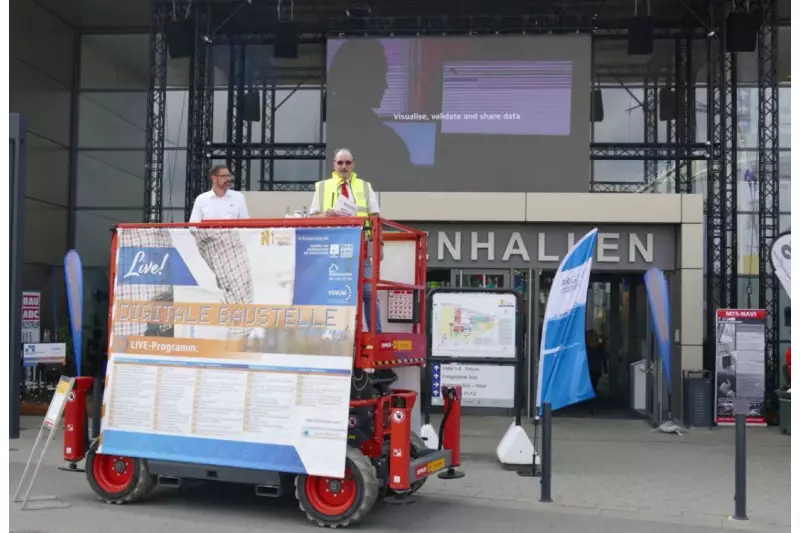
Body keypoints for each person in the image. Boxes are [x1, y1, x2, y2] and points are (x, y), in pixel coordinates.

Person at [308, 148, 383, 333]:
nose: (343, 166)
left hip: (360, 248)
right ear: (334, 164)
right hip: (332, 248)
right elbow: (311, 218)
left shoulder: (365, 186)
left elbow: (376, 218)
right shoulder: (322, 186)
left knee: (368, 293)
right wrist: (326, 214)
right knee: (334, 292)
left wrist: (379, 245)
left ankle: (375, 334)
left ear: (353, 164)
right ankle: (333, 335)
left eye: (347, 163)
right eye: (340, 163)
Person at [586, 329, 608, 414]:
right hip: (597, 370)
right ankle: (593, 405)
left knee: (590, 387)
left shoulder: (586, 347)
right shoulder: (599, 346)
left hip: (588, 370)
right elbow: (603, 358)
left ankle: (592, 405)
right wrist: (605, 369)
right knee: (593, 387)